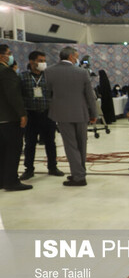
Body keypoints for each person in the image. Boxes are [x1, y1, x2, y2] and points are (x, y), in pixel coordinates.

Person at [46, 46, 98, 187]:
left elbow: (48, 93)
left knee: (70, 146)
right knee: (81, 144)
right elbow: (90, 96)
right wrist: (94, 114)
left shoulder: (49, 71)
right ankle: (79, 173)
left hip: (61, 114)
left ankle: (78, 174)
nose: (77, 59)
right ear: (71, 57)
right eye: (76, 56)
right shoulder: (82, 72)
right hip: (81, 113)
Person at [18, 51, 64, 181]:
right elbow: (19, 97)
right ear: (31, 61)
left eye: (44, 60)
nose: (43, 63)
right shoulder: (22, 77)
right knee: (30, 143)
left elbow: (55, 94)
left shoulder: (49, 76)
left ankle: (53, 167)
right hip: (30, 115)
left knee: (50, 142)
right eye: (40, 60)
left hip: (47, 113)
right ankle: (29, 169)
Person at [0, 44, 31, 191]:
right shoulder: (6, 72)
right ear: (2, 56)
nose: (11, 56)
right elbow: (13, 95)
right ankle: (11, 181)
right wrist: (22, 114)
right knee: (13, 150)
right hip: (9, 118)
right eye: (9, 53)